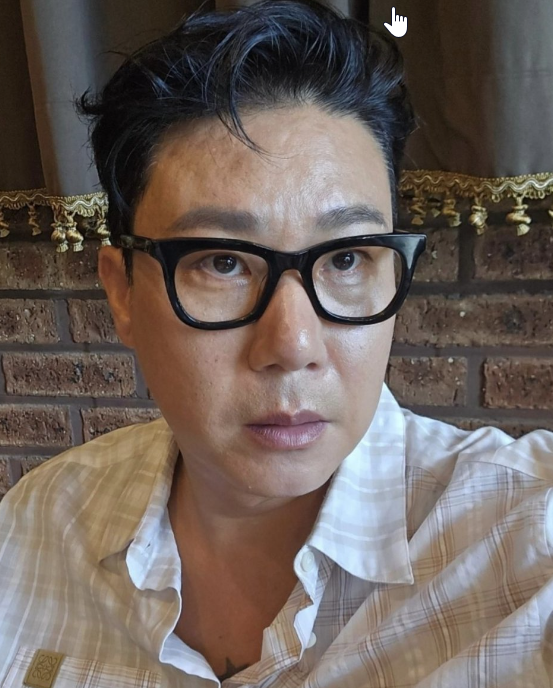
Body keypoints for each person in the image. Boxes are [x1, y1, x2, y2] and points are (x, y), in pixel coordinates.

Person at [0, 1, 552, 686]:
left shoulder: (526, 542)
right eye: (222, 262)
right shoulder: (35, 525)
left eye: (346, 258)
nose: (293, 344)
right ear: (122, 294)